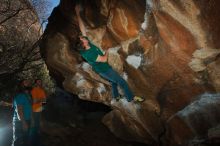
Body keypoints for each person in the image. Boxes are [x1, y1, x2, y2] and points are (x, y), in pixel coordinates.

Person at [75, 4, 144, 103]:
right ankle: (131, 98)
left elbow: (82, 29)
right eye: (82, 39)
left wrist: (77, 13)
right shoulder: (88, 54)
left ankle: (116, 97)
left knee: (113, 81)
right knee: (121, 82)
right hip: (104, 70)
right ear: (84, 44)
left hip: (104, 67)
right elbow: (103, 59)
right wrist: (107, 51)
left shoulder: (85, 43)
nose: (82, 37)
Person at [12, 79, 33, 146]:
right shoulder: (20, 95)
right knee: (19, 142)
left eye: (29, 82)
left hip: (26, 120)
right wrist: (23, 123)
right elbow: (19, 110)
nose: (28, 83)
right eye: (26, 82)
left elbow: (29, 108)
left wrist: (31, 120)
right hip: (20, 121)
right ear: (21, 85)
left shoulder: (28, 96)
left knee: (25, 141)